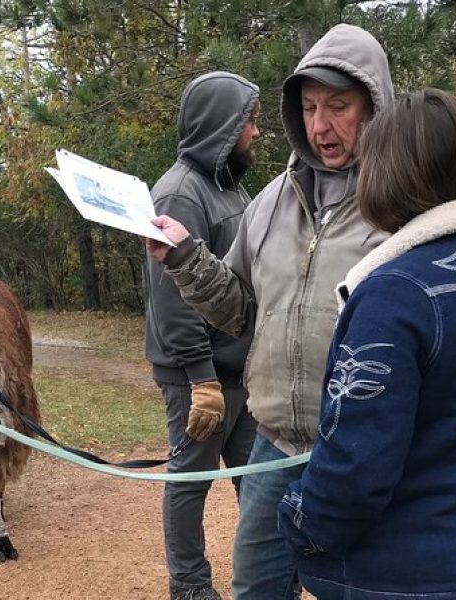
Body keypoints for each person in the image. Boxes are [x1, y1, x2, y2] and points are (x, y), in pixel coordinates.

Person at [145, 24, 393, 599]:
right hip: (274, 448)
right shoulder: (272, 201)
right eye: (308, 107)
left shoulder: (402, 203)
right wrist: (185, 256)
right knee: (255, 588)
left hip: (364, 458)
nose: (320, 125)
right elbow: (237, 309)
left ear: (375, 105)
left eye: (338, 106)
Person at [277, 89, 456, 599]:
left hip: (403, 574)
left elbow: (355, 471)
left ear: (383, 175)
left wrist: (298, 522)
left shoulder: (393, 297)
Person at [145, 71, 260, 600]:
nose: (256, 132)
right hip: (202, 377)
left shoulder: (229, 186)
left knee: (258, 479)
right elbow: (172, 295)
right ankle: (189, 586)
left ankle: (271, 569)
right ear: (223, 125)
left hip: (243, 370)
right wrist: (201, 379)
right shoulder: (180, 194)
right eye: (249, 121)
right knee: (189, 482)